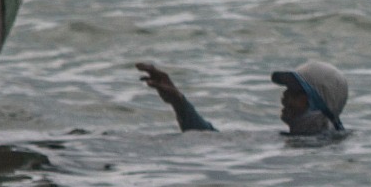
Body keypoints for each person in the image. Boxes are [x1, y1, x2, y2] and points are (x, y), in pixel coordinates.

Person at [134, 61, 348, 136]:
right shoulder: (291, 142)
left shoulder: (318, 149)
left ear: (318, 103)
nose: (284, 97)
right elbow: (212, 141)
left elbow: (213, 145)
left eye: (294, 92)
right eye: (286, 89)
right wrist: (178, 101)